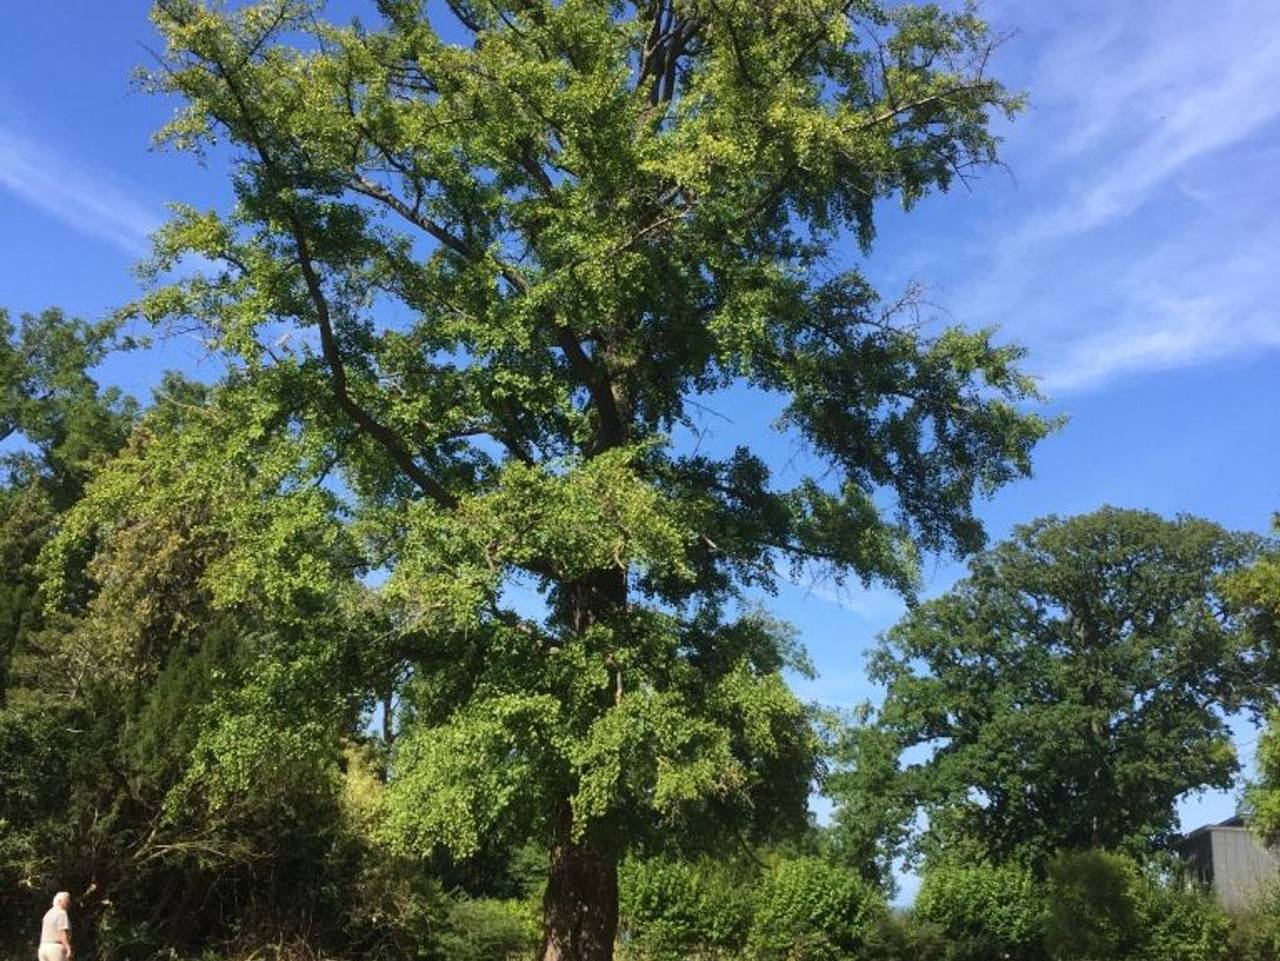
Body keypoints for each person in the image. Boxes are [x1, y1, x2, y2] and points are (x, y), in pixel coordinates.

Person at [38, 892, 71, 961]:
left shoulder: (48, 914)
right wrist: (68, 948)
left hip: (43, 946)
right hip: (56, 948)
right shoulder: (62, 913)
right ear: (59, 901)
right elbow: (62, 932)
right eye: (66, 901)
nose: (68, 903)